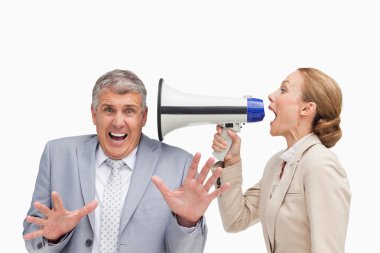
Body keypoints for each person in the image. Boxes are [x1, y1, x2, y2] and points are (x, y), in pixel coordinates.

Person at [23, 69, 229, 253]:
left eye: (129, 110)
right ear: (94, 114)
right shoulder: (57, 154)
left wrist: (188, 222)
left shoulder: (180, 164)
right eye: (108, 110)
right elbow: (32, 239)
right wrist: (52, 235)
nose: (118, 122)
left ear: (144, 116)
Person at [212, 68, 351, 253]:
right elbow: (236, 220)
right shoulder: (276, 164)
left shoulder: (320, 164)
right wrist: (231, 161)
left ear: (307, 108)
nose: (271, 96)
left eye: (283, 90)